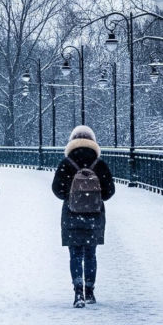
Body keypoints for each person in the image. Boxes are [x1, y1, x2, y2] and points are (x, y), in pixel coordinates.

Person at [52, 125, 115, 307]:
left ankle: (78, 292)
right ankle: (90, 292)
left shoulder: (66, 163)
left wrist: (71, 196)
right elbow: (109, 192)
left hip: (72, 215)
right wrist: (94, 197)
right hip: (94, 216)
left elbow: (56, 189)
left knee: (75, 254)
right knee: (90, 254)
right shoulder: (99, 163)